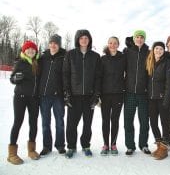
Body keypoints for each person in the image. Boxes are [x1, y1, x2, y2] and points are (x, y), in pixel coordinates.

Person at [63, 29, 101, 158]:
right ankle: (71, 147)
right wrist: (67, 93)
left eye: (86, 38)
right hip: (74, 96)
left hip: (89, 97)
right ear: (77, 40)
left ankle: (86, 145)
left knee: (87, 124)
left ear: (89, 40)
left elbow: (98, 77)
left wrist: (96, 95)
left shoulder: (95, 56)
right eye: (81, 38)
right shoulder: (70, 55)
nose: (84, 40)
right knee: (71, 124)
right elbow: (66, 75)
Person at [8, 40, 40, 165]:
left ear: (36, 51)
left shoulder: (37, 63)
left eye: (33, 49)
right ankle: (12, 154)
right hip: (20, 97)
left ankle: (31, 150)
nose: (31, 51)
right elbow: (12, 78)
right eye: (28, 49)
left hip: (34, 98)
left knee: (33, 123)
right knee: (18, 122)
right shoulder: (20, 63)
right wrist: (15, 78)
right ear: (24, 51)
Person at [146, 41, 170, 160]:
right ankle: (159, 143)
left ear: (164, 51)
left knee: (165, 123)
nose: (158, 51)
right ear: (153, 50)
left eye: (161, 49)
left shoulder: (168, 63)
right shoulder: (150, 62)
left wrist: (167, 99)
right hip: (151, 98)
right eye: (156, 48)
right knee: (153, 122)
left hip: (163, 98)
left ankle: (165, 146)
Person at [38, 34, 66, 156]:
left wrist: (65, 92)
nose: (53, 45)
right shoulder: (43, 57)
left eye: (55, 43)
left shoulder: (64, 57)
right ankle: (46, 146)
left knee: (59, 121)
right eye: (51, 43)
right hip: (44, 95)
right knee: (45, 122)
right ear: (49, 44)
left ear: (59, 45)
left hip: (58, 95)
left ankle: (60, 145)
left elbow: (67, 76)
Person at [123, 30, 150, 155]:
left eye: (141, 37)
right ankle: (130, 146)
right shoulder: (127, 52)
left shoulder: (148, 53)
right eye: (137, 37)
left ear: (144, 39)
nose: (139, 39)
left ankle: (143, 144)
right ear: (134, 39)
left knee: (144, 121)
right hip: (129, 93)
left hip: (143, 93)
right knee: (128, 121)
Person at [100, 36, 126, 155]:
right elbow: (98, 77)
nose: (112, 45)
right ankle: (106, 144)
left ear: (118, 44)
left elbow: (128, 74)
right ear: (108, 44)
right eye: (110, 43)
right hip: (105, 94)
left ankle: (113, 144)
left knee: (115, 120)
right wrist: (98, 95)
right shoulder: (103, 59)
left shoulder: (123, 58)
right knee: (105, 120)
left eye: (115, 43)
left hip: (118, 94)